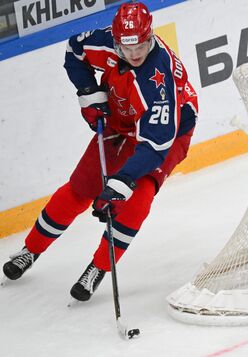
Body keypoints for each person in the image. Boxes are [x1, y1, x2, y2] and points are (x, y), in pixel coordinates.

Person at [2, 2, 198, 302]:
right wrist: (90, 94)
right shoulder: (106, 41)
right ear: (116, 39)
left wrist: (121, 182)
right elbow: (74, 52)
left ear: (150, 37)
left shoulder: (158, 81)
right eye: (126, 47)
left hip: (167, 134)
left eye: (141, 47)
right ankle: (30, 250)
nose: (134, 55)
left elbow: (155, 145)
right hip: (122, 118)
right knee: (80, 188)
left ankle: (99, 266)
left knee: (138, 197)